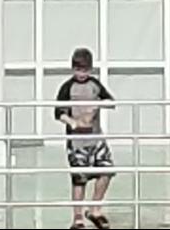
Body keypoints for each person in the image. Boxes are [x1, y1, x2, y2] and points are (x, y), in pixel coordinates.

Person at [53, 47, 116, 230]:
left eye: (85, 70)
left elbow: (111, 101)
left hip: (96, 138)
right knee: (79, 179)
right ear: (73, 68)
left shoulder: (95, 84)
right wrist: (71, 122)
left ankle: (95, 208)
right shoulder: (67, 87)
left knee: (107, 171)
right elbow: (57, 112)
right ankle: (78, 217)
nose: (81, 74)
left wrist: (97, 105)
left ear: (90, 69)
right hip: (77, 141)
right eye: (78, 69)